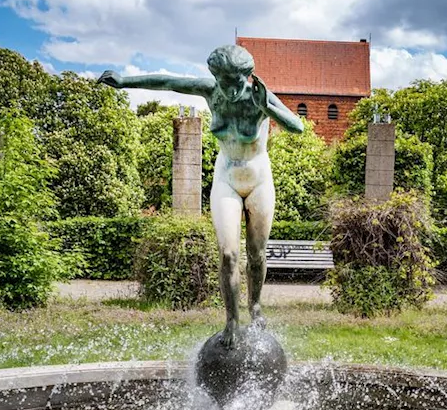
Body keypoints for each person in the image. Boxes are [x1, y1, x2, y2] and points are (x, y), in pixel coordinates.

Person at [99, 45, 304, 346]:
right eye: (225, 82)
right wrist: (124, 82)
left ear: (246, 77)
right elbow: (168, 82)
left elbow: (296, 127)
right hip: (227, 178)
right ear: (216, 78)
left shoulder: (259, 94)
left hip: (259, 179)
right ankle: (232, 321)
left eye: (237, 83)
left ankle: (255, 305)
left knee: (257, 254)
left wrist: (267, 107)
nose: (231, 90)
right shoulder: (212, 91)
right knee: (229, 255)